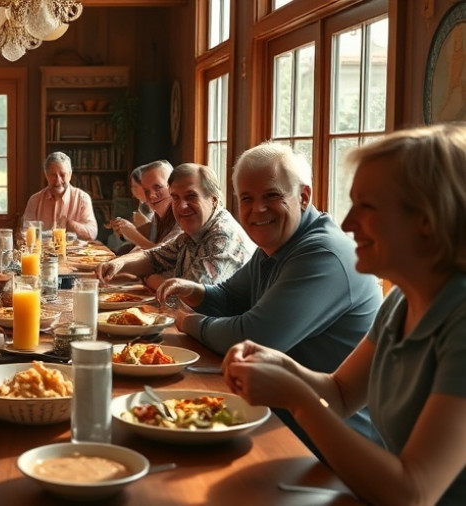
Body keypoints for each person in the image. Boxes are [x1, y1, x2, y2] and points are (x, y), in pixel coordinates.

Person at [223, 124, 466, 504]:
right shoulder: (403, 300)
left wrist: (298, 398)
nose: (348, 223)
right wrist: (283, 366)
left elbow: (414, 493)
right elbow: (341, 393)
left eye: (366, 206)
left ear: (427, 218)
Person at [157, 143, 382, 450]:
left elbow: (254, 336)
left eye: (272, 196)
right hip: (282, 415)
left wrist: (188, 322)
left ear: (304, 196)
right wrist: (197, 292)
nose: (257, 210)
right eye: (247, 199)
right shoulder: (277, 244)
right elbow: (229, 297)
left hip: (329, 444)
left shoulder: (322, 253)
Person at [97, 163, 253, 289]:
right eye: (176, 198)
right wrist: (117, 264)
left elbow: (190, 297)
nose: (182, 206)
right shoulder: (194, 229)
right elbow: (155, 256)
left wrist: (149, 278)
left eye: (191, 196)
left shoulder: (222, 238)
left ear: (213, 199)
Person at [108, 160, 181, 251]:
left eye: (158, 187)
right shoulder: (157, 216)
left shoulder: (182, 217)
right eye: (146, 191)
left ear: (173, 186)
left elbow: (164, 256)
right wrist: (125, 232)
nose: (151, 196)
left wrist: (134, 235)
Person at [23, 152, 97, 241]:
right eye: (53, 175)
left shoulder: (82, 198)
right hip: (42, 252)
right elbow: (26, 232)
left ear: (70, 175)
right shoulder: (34, 200)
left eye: (62, 175)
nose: (58, 181)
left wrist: (70, 225)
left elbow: (92, 234)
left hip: (75, 253)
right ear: (46, 176)